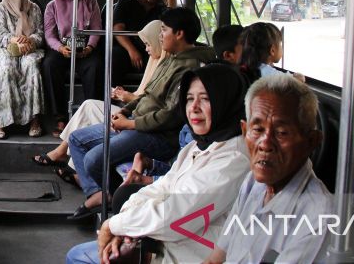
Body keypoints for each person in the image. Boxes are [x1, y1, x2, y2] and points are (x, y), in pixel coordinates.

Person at [66, 63, 251, 264]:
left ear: (226, 102)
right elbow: (160, 187)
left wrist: (115, 226)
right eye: (189, 99)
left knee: (80, 258)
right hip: (162, 244)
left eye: (205, 99)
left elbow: (175, 214)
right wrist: (125, 225)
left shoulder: (233, 159)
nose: (194, 108)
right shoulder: (197, 148)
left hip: (190, 254)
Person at [67, 7, 215, 220]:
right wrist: (125, 112)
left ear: (179, 34)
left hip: (158, 135)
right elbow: (147, 94)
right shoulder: (171, 59)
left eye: (164, 30)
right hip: (137, 121)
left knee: (92, 160)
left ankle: (117, 203)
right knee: (76, 139)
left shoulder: (189, 68)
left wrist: (130, 125)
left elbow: (169, 116)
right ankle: (99, 194)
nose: (161, 35)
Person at [204, 74, 332, 264]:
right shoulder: (252, 183)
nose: (265, 144)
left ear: (311, 141)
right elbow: (216, 258)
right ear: (244, 131)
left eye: (281, 133)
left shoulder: (317, 216)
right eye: (257, 130)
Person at [32, 20, 166, 170]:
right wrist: (123, 95)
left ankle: (67, 159)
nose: (146, 49)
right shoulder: (155, 60)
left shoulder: (166, 67)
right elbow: (140, 95)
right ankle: (66, 156)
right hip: (134, 112)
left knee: (88, 111)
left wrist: (127, 97)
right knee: (88, 105)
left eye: (148, 44)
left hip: (140, 119)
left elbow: (150, 103)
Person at [42, 0, 103, 136]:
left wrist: (89, 47)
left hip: (85, 49)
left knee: (95, 66)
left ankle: (92, 117)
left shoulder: (90, 2)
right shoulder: (51, 6)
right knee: (49, 65)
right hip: (62, 48)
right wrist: (61, 48)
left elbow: (97, 29)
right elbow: (49, 34)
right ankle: (60, 118)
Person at [0, 0, 45, 139]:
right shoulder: (0, 8)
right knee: (5, 67)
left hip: (29, 48)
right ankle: (0, 121)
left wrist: (29, 40)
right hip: (5, 48)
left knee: (31, 65)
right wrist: (16, 40)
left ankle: (34, 120)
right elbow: (0, 35)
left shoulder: (33, 8)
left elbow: (40, 34)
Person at [112, 0, 175, 84]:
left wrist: (171, 1)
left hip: (152, 52)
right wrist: (132, 50)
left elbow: (173, 28)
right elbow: (117, 29)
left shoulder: (163, 11)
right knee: (115, 57)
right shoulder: (125, 3)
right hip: (125, 49)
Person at [239, 22, 306, 83]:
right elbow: (297, 81)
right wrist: (298, 76)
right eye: (280, 44)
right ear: (272, 51)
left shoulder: (246, 66)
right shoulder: (268, 73)